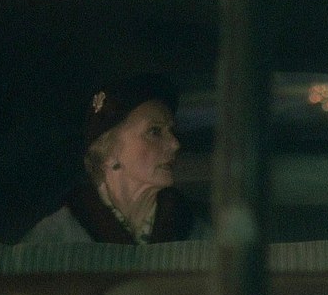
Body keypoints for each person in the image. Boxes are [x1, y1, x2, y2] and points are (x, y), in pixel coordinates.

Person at [22, 73, 206, 244]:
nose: (175, 144)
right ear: (109, 153)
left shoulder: (198, 233)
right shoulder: (55, 236)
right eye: (154, 131)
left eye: (171, 131)